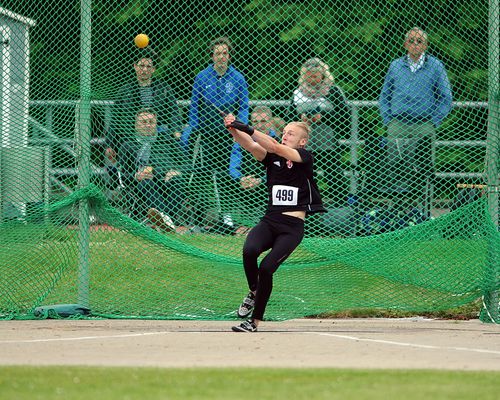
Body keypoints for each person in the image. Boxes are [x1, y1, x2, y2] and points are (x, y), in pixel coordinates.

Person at [224, 115, 325, 332]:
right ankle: (253, 292)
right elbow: (251, 145)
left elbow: (275, 146)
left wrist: (246, 127)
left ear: (302, 141)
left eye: (291, 133)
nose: (285, 135)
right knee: (249, 250)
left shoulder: (303, 156)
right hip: (270, 221)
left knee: (267, 268)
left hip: (291, 229)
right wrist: (233, 129)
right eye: (284, 132)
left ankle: (254, 322)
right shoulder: (272, 157)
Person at [379, 27, 453, 217]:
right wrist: (388, 120)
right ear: (405, 44)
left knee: (424, 167)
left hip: (424, 125)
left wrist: (433, 122)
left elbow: (445, 98)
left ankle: (424, 211)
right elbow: (384, 95)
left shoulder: (435, 66)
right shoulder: (395, 65)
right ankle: (396, 210)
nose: (415, 44)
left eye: (419, 41)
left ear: (426, 45)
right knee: (395, 165)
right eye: (411, 41)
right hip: (398, 124)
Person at [181, 37, 250, 231]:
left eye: (225, 53)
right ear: (212, 56)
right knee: (203, 174)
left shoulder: (238, 78)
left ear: (230, 55)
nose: (221, 56)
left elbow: (243, 105)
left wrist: (239, 124)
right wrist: (194, 129)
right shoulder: (202, 77)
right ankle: (200, 215)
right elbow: (195, 106)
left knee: (226, 175)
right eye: (218, 53)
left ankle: (227, 216)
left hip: (229, 135)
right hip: (206, 134)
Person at [108, 108, 189, 231]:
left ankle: (165, 221)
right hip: (141, 185)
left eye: (151, 122)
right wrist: (136, 176)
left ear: (156, 124)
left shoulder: (167, 140)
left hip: (166, 181)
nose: (148, 125)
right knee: (147, 184)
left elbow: (186, 163)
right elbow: (122, 176)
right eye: (144, 122)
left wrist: (177, 171)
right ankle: (167, 221)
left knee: (179, 182)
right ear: (136, 125)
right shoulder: (127, 145)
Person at [105, 48, 183, 173]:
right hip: (132, 139)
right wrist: (110, 144)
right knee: (132, 172)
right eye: (141, 66)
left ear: (153, 69)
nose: (145, 70)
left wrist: (176, 130)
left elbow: (173, 112)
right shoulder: (125, 91)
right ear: (135, 66)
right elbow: (115, 119)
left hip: (158, 139)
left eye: (148, 66)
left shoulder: (164, 89)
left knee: (159, 171)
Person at [291, 57, 350, 204]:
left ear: (323, 75)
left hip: (327, 141)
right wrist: (302, 118)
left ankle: (340, 205)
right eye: (309, 75)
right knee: (306, 176)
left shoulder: (333, 91)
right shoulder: (298, 93)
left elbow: (344, 116)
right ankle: (308, 203)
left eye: (316, 76)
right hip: (305, 143)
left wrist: (322, 117)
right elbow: (289, 116)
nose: (312, 79)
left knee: (333, 175)